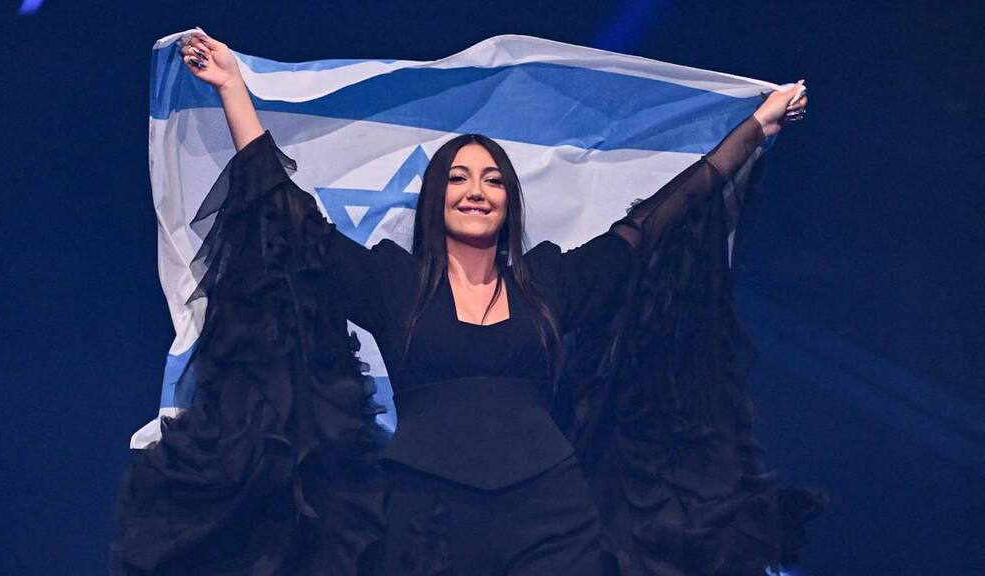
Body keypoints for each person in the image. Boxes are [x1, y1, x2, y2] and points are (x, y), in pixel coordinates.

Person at [113, 32, 822, 576]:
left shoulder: (551, 282)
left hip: (552, 513)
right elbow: (289, 218)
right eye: (458, 178)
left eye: (492, 179)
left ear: (509, 200)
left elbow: (659, 220)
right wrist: (234, 90)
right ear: (436, 198)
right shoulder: (392, 282)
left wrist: (754, 131)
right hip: (423, 515)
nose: (476, 190)